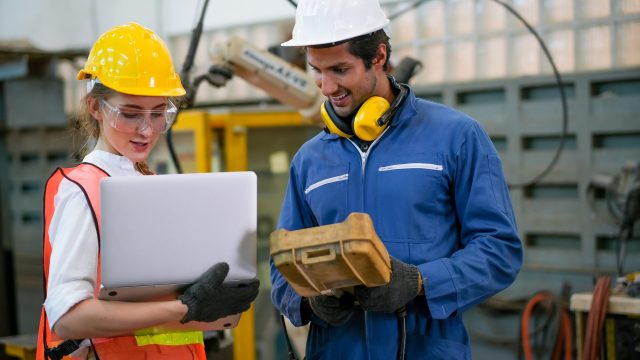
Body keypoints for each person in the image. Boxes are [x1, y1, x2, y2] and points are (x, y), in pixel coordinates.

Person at [270, 1, 523, 359]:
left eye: (340, 70)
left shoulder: (455, 137)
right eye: (316, 70)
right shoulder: (310, 160)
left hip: (425, 349)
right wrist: (308, 300)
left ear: (379, 56)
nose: (326, 87)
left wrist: (419, 282)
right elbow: (281, 268)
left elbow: (500, 251)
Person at [36, 23, 259, 360]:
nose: (146, 130)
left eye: (159, 113)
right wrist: (182, 308)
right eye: (130, 113)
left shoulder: (149, 188)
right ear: (95, 108)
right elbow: (67, 318)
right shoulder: (83, 193)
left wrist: (219, 298)